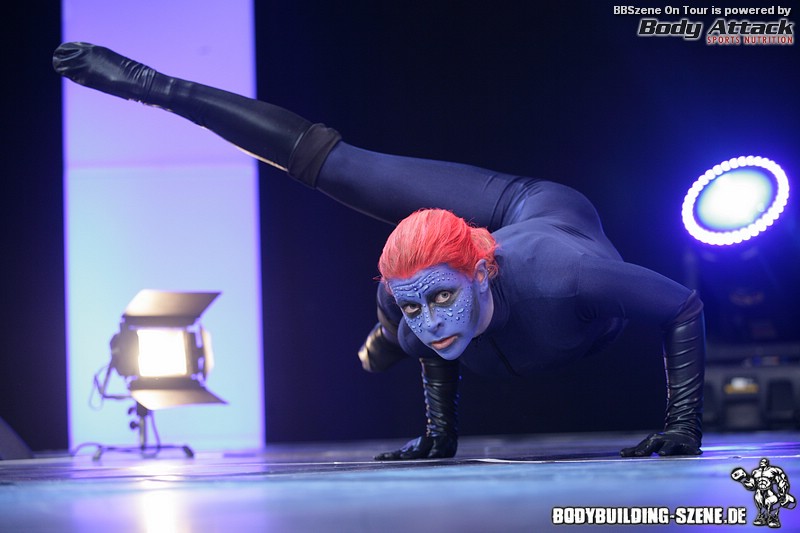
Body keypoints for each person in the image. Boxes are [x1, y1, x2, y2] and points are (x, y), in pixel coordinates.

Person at [53, 42, 706, 460]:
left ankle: (388, 334)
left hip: (535, 209)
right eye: (414, 306)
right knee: (341, 183)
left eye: (442, 297)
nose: (431, 321)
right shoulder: (417, 310)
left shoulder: (570, 277)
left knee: (405, 295)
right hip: (454, 275)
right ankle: (155, 87)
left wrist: (683, 424)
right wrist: (439, 432)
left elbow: (681, 305)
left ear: (483, 272)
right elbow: (429, 314)